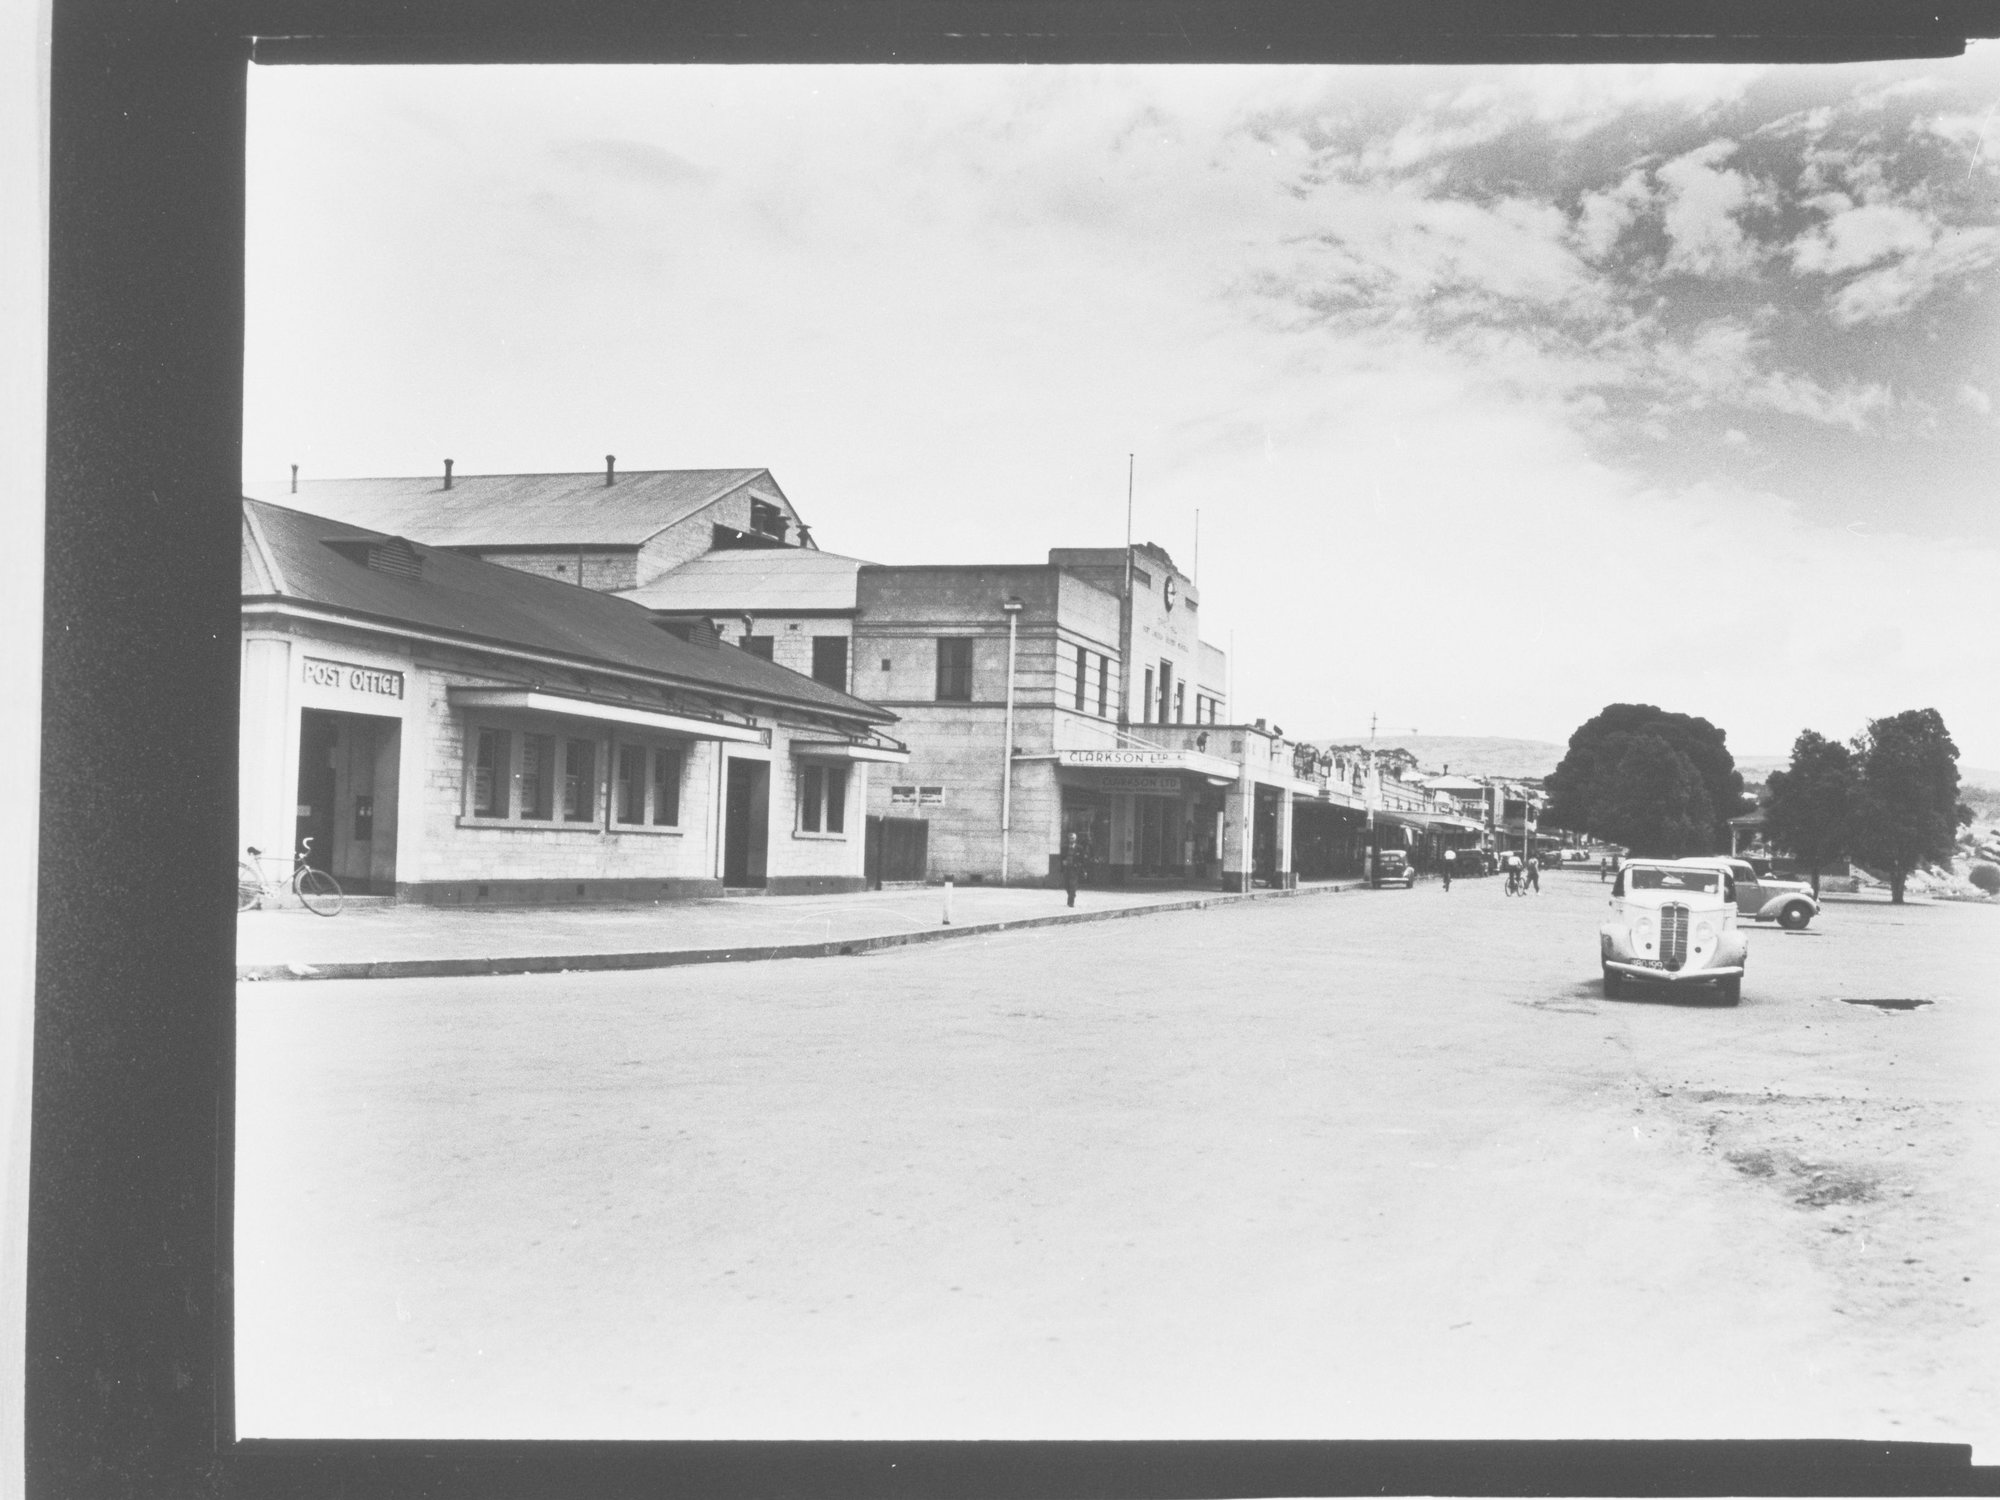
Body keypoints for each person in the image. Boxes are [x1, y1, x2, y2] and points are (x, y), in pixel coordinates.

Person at [1060, 832, 1083, 908]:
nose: (1071, 840)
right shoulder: (1064, 848)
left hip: (1075, 869)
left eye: (1073, 838)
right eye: (1070, 838)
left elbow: (1082, 859)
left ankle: (1071, 902)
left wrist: (1079, 866)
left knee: (1072, 885)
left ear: (1075, 839)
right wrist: (1063, 862)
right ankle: (1072, 894)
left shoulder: (1079, 848)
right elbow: (1061, 858)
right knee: (1066, 885)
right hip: (1066, 868)